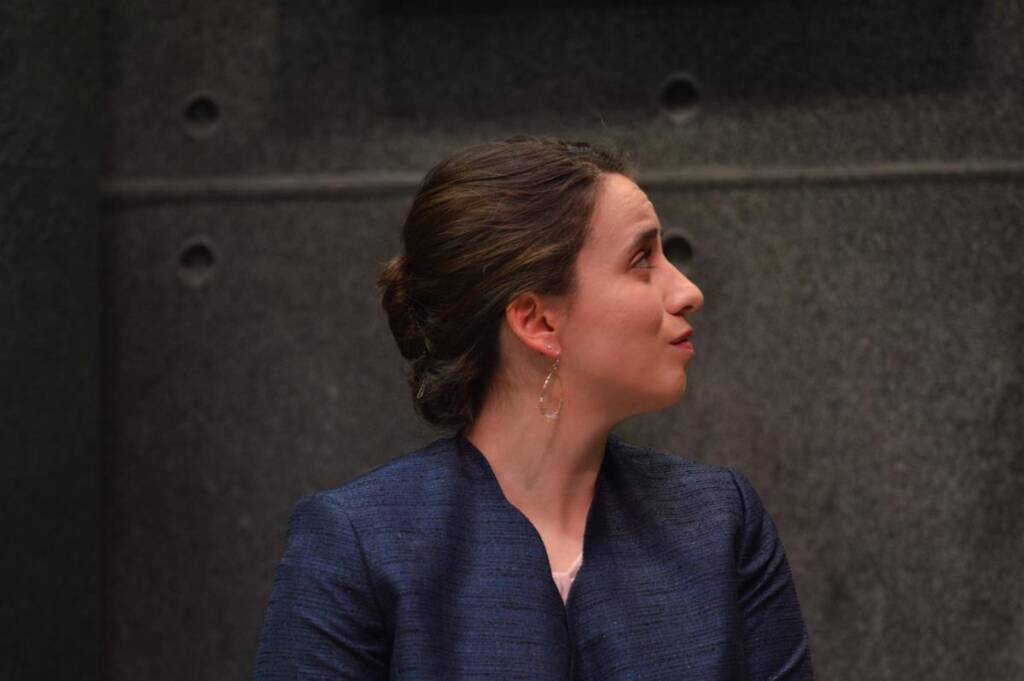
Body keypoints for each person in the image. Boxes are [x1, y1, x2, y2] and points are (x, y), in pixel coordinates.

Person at [252, 136, 814, 679]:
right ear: (538, 321)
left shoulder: (718, 521)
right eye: (642, 259)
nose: (687, 290)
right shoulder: (361, 544)